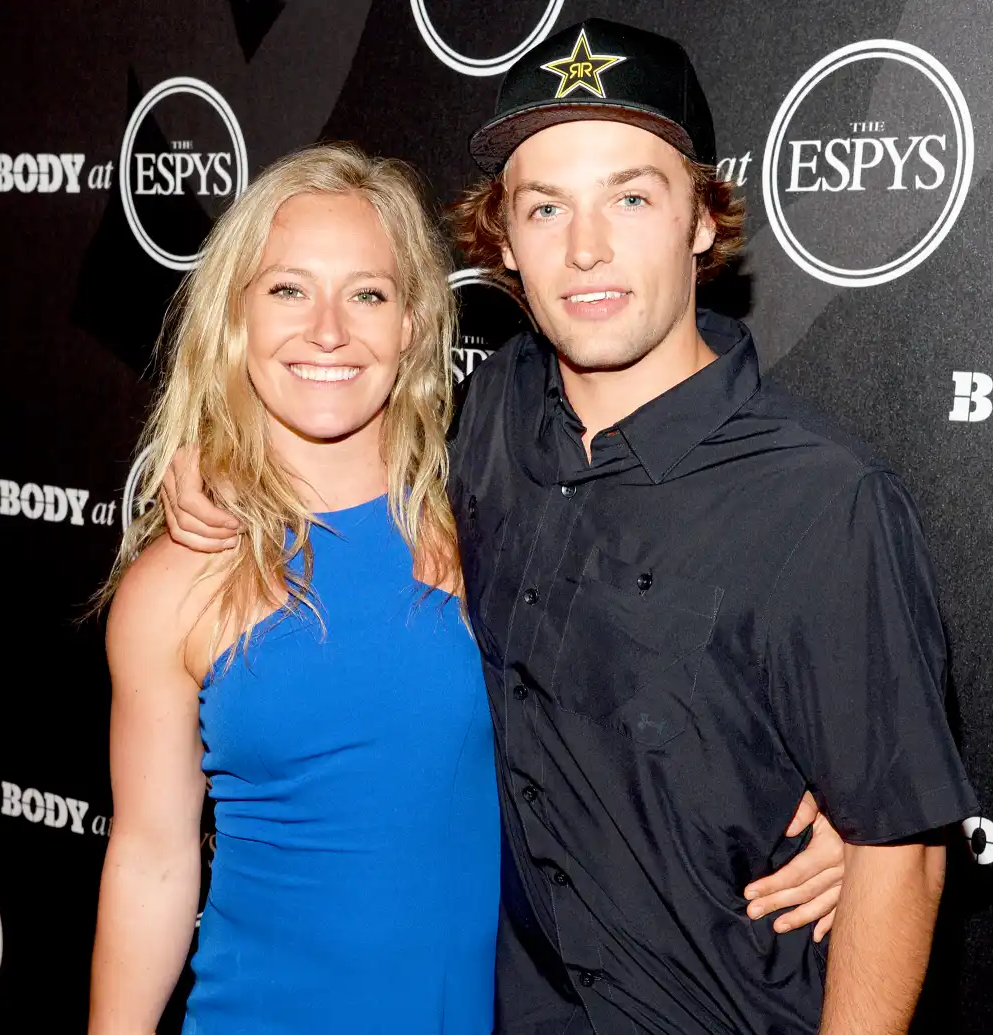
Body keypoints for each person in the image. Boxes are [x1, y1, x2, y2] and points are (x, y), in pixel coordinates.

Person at [157, 25, 880, 1031]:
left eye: (629, 197)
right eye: (547, 208)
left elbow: (900, 836)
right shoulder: (495, 419)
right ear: (503, 239)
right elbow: (343, 467)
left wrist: (874, 834)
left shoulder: (816, 494)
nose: (585, 247)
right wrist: (213, 464)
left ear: (702, 221)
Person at [88, 143, 501, 1035]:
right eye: (287, 290)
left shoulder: (489, 536)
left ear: (415, 325)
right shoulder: (178, 581)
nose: (327, 330)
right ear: (234, 318)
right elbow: (153, 860)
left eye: (367, 293)